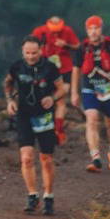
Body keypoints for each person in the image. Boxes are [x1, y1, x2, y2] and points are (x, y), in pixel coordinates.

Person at [5, 36, 68, 215]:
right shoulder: (17, 66)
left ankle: (48, 196)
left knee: (46, 159)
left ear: (40, 51)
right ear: (22, 51)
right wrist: (10, 101)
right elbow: (8, 82)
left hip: (44, 115)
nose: (30, 56)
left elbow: (62, 88)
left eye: (34, 53)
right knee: (26, 157)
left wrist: (52, 98)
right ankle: (32, 195)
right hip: (24, 114)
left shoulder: (50, 67)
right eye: (27, 53)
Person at [73, 15, 110, 173]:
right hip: (89, 89)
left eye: (96, 28)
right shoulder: (82, 49)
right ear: (86, 30)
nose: (93, 31)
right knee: (91, 120)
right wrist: (74, 93)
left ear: (101, 28)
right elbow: (76, 70)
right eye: (90, 28)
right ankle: (95, 158)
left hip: (109, 90)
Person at [30, 16, 79, 144]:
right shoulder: (39, 31)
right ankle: (42, 129)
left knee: (61, 100)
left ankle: (58, 130)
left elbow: (78, 46)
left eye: (58, 30)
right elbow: (30, 47)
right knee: (42, 99)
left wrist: (66, 45)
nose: (56, 32)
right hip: (46, 69)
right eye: (54, 30)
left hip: (64, 68)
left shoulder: (67, 31)